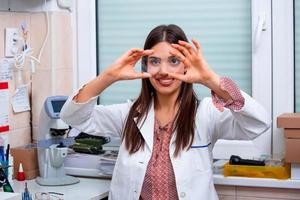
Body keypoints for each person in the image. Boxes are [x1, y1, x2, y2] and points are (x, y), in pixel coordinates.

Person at [60, 24, 271, 200]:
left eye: (174, 61)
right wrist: (108, 76)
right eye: (154, 61)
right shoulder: (129, 114)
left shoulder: (206, 114)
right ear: (146, 66)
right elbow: (73, 116)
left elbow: (258, 123)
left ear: (186, 66)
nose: (163, 71)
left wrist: (211, 80)